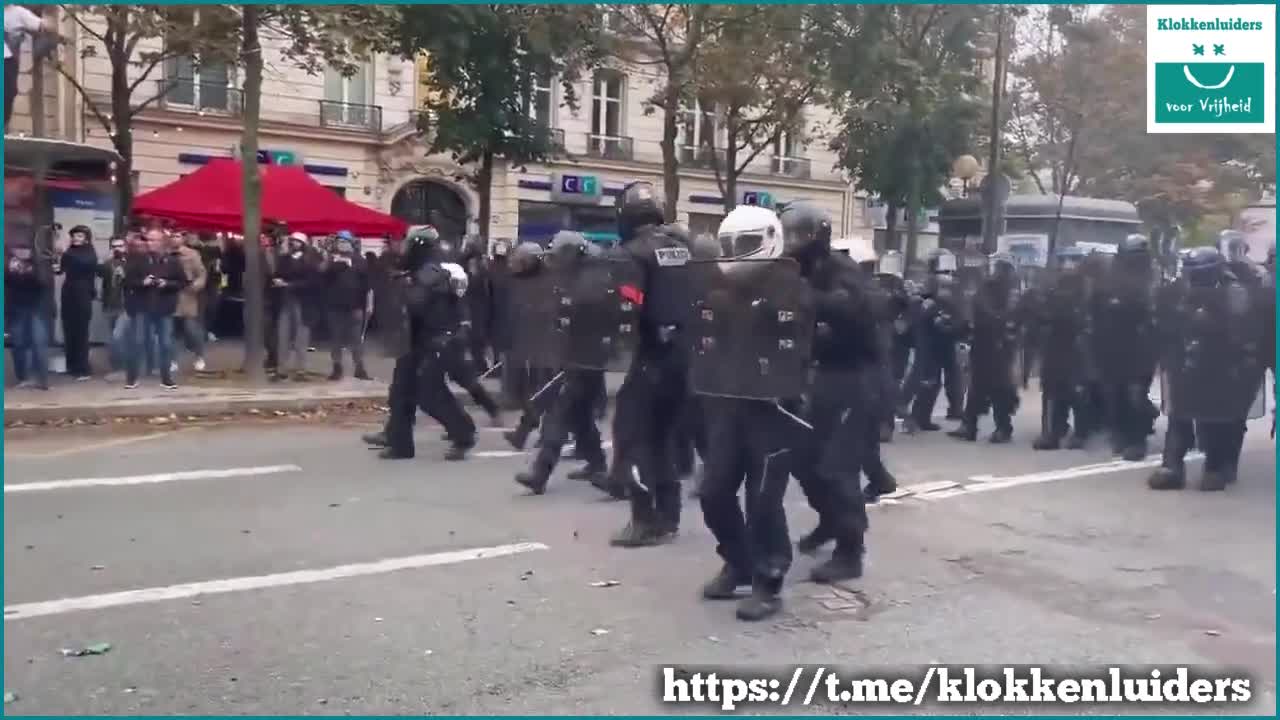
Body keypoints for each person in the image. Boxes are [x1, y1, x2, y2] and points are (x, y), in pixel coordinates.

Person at [693, 205, 805, 621]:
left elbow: (799, 347)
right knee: (713, 491)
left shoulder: (792, 288)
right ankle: (738, 561)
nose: (734, 253)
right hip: (727, 403)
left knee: (763, 501)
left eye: (744, 244)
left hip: (773, 409)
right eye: (729, 246)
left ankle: (769, 579)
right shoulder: (718, 289)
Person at [780, 200, 873, 584]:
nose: (791, 242)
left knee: (839, 465)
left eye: (798, 234)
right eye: (788, 234)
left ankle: (851, 551)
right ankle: (831, 521)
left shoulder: (841, 270)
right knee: (803, 458)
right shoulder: (796, 270)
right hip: (823, 377)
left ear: (817, 235)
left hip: (858, 378)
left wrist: (804, 300)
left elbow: (845, 306)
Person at [1148, 246, 1275, 491]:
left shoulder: (1235, 294)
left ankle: (1217, 467)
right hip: (1187, 363)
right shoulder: (1180, 291)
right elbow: (1166, 322)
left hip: (1223, 366)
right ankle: (1172, 466)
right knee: (1179, 416)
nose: (1194, 279)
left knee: (1220, 420)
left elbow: (1246, 331)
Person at [607, 181, 691, 547]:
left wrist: (615, 342)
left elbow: (628, 306)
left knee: (633, 435)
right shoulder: (681, 249)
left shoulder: (630, 254)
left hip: (651, 354)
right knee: (663, 438)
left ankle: (645, 518)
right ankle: (669, 515)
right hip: (684, 357)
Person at [513, 232, 610, 495]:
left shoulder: (590, 279)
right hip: (582, 355)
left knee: (559, 412)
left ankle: (540, 472)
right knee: (580, 417)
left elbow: (582, 315)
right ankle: (597, 464)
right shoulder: (583, 274)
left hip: (585, 356)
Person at [379, 226, 477, 461]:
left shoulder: (431, 270)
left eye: (409, 243)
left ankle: (464, 434)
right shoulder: (419, 267)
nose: (405, 248)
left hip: (435, 340)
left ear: (419, 245)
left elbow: (418, 303)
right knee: (401, 391)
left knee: (430, 394)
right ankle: (398, 442)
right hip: (415, 339)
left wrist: (405, 288)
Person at [1091, 235, 1159, 461]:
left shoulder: (1153, 282)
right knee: (1113, 393)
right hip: (1111, 347)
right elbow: (1093, 311)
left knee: (1135, 393)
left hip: (1140, 348)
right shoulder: (1108, 282)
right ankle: (1119, 433)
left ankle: (1137, 439)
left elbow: (1158, 313)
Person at [948, 252, 1022, 444]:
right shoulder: (989, 286)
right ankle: (969, 425)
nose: (997, 270)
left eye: (1001, 267)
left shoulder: (1011, 290)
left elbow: (1009, 315)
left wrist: (999, 324)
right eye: (997, 267)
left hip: (999, 344)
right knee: (978, 386)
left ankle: (1003, 427)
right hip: (983, 342)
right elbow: (979, 308)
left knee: (1000, 388)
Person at [1029, 246, 1095, 450]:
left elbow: (1084, 317)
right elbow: (1041, 313)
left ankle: (1081, 432)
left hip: (1078, 345)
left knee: (1077, 390)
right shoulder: (1053, 287)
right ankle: (1052, 432)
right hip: (1055, 345)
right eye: (1064, 260)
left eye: (1073, 260)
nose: (1068, 265)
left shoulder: (1087, 288)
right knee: (1052, 390)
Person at [124, 228, 186, 389]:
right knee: (137, 342)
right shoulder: (138, 259)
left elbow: (182, 282)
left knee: (166, 343)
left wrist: (167, 283)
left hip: (164, 308)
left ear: (162, 242)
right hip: (142, 307)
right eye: (148, 240)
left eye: (153, 240)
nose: (149, 243)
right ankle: (132, 378)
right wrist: (141, 282)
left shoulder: (172, 261)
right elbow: (127, 281)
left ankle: (166, 378)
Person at [272, 231, 321, 381]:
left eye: (297, 242)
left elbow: (312, 282)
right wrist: (277, 281)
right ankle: (281, 369)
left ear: (303, 245)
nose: (294, 244)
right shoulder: (284, 259)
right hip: (286, 301)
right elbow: (277, 274)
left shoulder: (310, 261)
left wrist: (289, 284)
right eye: (292, 241)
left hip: (303, 303)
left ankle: (301, 370)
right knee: (283, 336)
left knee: (301, 338)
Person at [322, 233, 371, 381]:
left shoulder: (359, 261)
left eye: (345, 241)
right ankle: (337, 367)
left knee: (356, 339)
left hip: (355, 307)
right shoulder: (332, 260)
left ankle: (359, 368)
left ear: (351, 243)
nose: (342, 244)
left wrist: (368, 304)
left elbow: (367, 284)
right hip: (335, 307)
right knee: (336, 339)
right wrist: (332, 263)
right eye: (339, 242)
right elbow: (323, 277)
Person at [5, 240, 51, 389]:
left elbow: (44, 283)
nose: (21, 253)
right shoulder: (8, 266)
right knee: (19, 343)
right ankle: (23, 377)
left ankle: (42, 379)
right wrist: (10, 271)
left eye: (25, 250)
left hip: (36, 309)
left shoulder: (38, 265)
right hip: (16, 309)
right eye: (18, 250)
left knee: (39, 343)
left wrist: (28, 272)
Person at [57, 225, 99, 380]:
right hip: (68, 293)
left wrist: (65, 253)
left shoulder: (89, 252)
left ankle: (83, 369)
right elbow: (61, 269)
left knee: (81, 332)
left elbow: (85, 264)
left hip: (83, 293)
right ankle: (72, 366)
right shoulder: (70, 251)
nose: (76, 238)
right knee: (69, 329)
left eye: (80, 236)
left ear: (86, 238)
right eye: (74, 235)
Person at [4, 5, 53, 131]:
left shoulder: (17, 12)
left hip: (7, 60)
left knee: (8, 93)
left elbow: (43, 26)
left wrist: (47, 24)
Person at [171, 231, 208, 373]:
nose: (175, 238)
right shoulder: (166, 253)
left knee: (191, 330)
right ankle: (172, 360)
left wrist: (196, 286)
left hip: (187, 298)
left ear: (183, 238)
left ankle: (199, 355)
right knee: (171, 332)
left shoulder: (192, 255)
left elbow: (202, 274)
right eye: (173, 235)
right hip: (170, 297)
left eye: (178, 236)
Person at [98, 236, 130, 377]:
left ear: (125, 247)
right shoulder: (108, 263)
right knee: (113, 337)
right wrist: (106, 261)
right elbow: (98, 273)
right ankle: (117, 367)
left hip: (126, 305)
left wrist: (125, 275)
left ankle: (121, 369)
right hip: (109, 304)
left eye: (120, 245)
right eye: (114, 246)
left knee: (118, 336)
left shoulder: (130, 262)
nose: (118, 248)